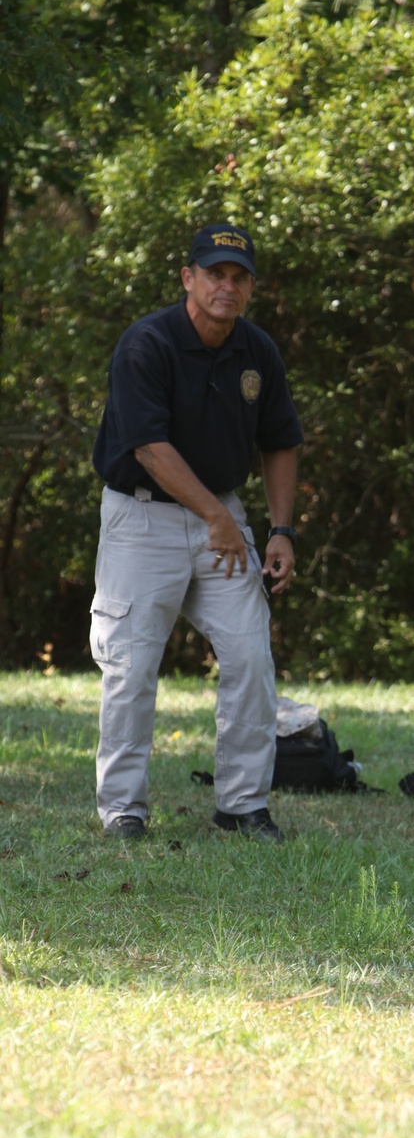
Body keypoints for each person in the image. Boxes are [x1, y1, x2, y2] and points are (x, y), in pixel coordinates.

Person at [89, 223, 303, 843]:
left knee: (250, 655)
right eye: (214, 274)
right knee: (131, 667)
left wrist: (281, 530)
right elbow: (150, 449)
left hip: (223, 519)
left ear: (250, 288)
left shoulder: (257, 351)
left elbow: (280, 441)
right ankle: (123, 809)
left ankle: (240, 805)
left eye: (238, 277)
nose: (226, 286)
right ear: (188, 278)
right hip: (141, 518)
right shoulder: (145, 344)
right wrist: (216, 518)